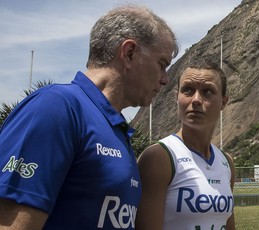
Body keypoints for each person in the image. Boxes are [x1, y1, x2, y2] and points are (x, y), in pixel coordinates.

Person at [0, 5, 178, 230]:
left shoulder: (116, 129)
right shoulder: (57, 106)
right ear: (129, 53)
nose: (165, 79)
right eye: (162, 65)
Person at [136, 61, 235, 230]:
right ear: (177, 97)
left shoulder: (226, 162)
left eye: (207, 92)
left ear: (223, 102)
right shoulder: (159, 157)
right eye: (188, 90)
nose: (196, 100)